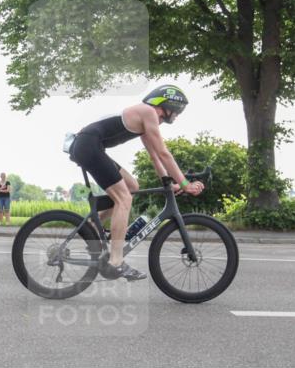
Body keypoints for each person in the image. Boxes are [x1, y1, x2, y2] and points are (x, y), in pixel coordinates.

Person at [67, 85, 204, 281]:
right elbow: (165, 153)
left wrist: (169, 183)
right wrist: (185, 185)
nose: (178, 116)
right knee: (124, 199)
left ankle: (92, 225)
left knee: (132, 187)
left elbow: (156, 156)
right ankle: (116, 262)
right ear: (168, 105)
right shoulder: (148, 112)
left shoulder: (146, 120)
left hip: (89, 145)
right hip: (88, 146)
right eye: (178, 111)